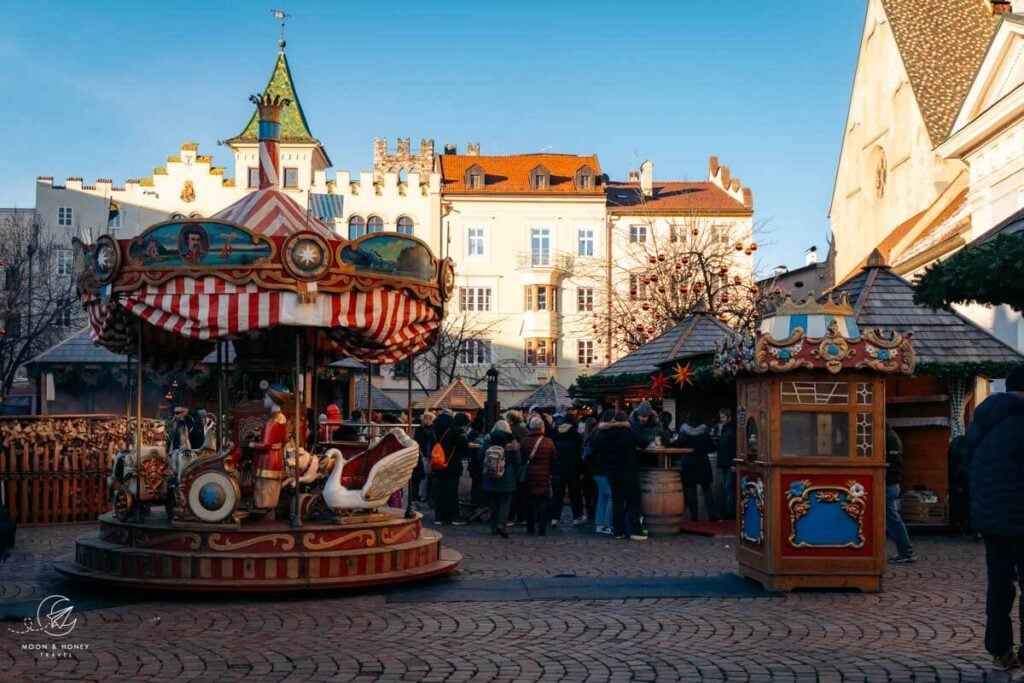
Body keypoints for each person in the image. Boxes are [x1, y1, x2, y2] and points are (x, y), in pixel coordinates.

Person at [966, 365, 1024, 670]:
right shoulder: (1020, 421)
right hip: (1020, 518)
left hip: (990, 519)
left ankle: (1001, 650)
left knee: (998, 586)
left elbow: (967, 466)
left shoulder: (981, 421)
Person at [593, 410, 646, 541]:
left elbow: (596, 442)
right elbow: (643, 442)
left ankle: (618, 531)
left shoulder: (604, 433)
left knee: (617, 501)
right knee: (634, 500)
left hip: (612, 471)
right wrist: (630, 427)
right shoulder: (628, 432)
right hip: (628, 470)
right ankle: (635, 531)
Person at [249, 383, 292, 520]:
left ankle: (263, 519)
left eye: (266, 397)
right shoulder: (283, 418)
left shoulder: (271, 422)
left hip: (267, 461)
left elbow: (266, 445)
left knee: (263, 493)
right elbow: (282, 441)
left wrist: (251, 444)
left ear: (273, 399)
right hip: (277, 459)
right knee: (271, 495)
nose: (264, 400)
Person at [481, 420, 521, 538]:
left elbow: (480, 456)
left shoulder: (489, 440)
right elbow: (518, 462)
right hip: (507, 477)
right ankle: (501, 524)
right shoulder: (512, 442)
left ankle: (493, 526)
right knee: (505, 503)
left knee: (493, 503)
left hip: (491, 477)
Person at [677, 413, 719, 522]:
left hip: (689, 463)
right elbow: (711, 448)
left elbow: (678, 444)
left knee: (691, 490)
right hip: (702, 463)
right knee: (707, 490)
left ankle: (694, 516)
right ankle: (712, 514)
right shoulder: (704, 432)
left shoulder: (684, 432)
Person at [885, 424, 916, 564]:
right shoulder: (892, 437)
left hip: (888, 484)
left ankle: (906, 552)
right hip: (892, 483)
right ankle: (906, 551)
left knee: (892, 519)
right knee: (892, 519)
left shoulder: (888, 438)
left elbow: (890, 464)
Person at [520, 416, 556, 536]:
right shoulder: (548, 442)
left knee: (529, 502)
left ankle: (530, 527)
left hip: (529, 476)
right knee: (542, 502)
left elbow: (521, 459)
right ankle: (542, 526)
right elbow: (553, 460)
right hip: (544, 476)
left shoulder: (524, 441)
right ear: (542, 427)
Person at [431, 412, 467, 526]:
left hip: (438, 466)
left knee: (440, 492)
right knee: (452, 492)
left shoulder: (433, 432)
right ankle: (454, 517)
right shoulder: (454, 431)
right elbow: (464, 445)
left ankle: (439, 517)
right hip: (452, 465)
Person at [551, 414, 585, 526]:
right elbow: (580, 454)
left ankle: (555, 517)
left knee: (557, 494)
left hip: (557, 467)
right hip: (573, 468)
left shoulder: (555, 434)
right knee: (575, 493)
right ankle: (577, 516)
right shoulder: (575, 436)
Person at [587, 411, 614, 534]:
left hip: (596, 469)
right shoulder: (604, 434)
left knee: (603, 496)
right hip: (603, 469)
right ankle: (608, 524)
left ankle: (600, 523)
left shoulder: (596, 432)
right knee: (610, 496)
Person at [716, 409, 737, 520]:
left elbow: (735, 448)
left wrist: (734, 462)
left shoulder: (732, 430)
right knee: (727, 487)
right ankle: (730, 510)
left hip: (730, 462)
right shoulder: (725, 430)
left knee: (729, 487)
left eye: (723, 417)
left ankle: (731, 511)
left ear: (729, 418)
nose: (721, 419)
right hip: (725, 462)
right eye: (721, 417)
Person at [412, 412, 435, 503]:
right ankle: (417, 495)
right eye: (426, 418)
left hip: (431, 455)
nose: (427, 420)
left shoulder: (434, 430)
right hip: (420, 455)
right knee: (419, 476)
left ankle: (427, 495)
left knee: (429, 476)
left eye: (430, 418)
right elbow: (416, 441)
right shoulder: (419, 429)